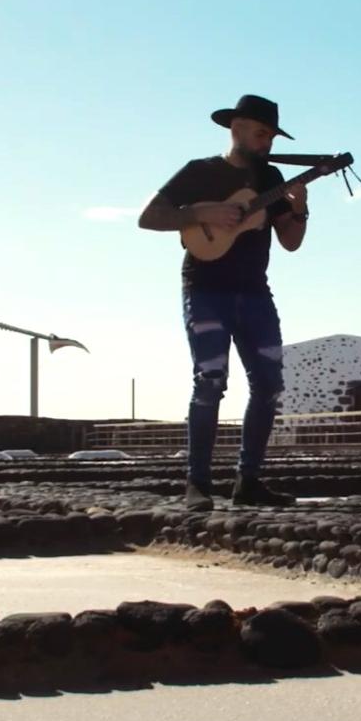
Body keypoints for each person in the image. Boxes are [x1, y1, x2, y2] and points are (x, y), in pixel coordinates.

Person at [138, 94, 308, 510]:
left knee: (269, 384)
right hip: (205, 288)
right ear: (237, 128)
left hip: (255, 292)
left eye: (271, 135)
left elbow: (290, 242)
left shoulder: (272, 181)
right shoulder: (200, 172)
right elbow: (149, 216)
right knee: (210, 381)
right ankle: (197, 484)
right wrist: (202, 213)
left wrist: (300, 208)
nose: (267, 142)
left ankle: (247, 482)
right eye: (261, 133)